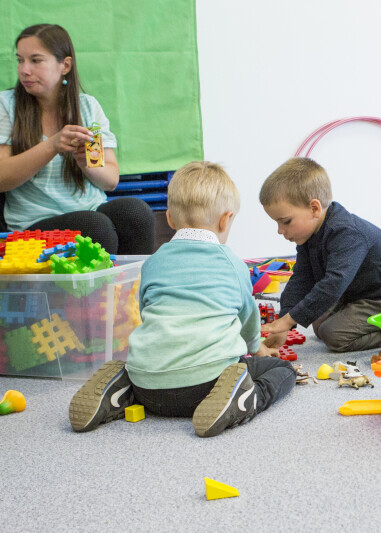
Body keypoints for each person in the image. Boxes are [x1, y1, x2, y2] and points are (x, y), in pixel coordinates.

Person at [69, 161, 295, 438]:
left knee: (145, 372)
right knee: (283, 370)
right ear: (225, 220)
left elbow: (144, 311)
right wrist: (256, 347)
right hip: (208, 383)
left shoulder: (153, 262)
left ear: (170, 219)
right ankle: (244, 399)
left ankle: (123, 389)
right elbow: (247, 318)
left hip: (148, 387)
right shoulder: (232, 263)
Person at [0, 24, 154, 254]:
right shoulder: (6, 105)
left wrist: (87, 165)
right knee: (94, 227)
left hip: (91, 212)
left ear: (65, 65)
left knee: (136, 213)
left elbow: (110, 181)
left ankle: (133, 279)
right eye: (20, 60)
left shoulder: (88, 107)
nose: (24, 70)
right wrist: (52, 145)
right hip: (32, 227)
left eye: (36, 60)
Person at [259, 157, 381, 353]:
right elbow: (301, 278)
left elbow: (333, 284)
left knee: (333, 336)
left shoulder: (346, 233)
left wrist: (289, 320)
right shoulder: (309, 235)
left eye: (286, 222)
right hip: (356, 293)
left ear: (314, 208)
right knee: (317, 322)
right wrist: (285, 321)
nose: (280, 230)